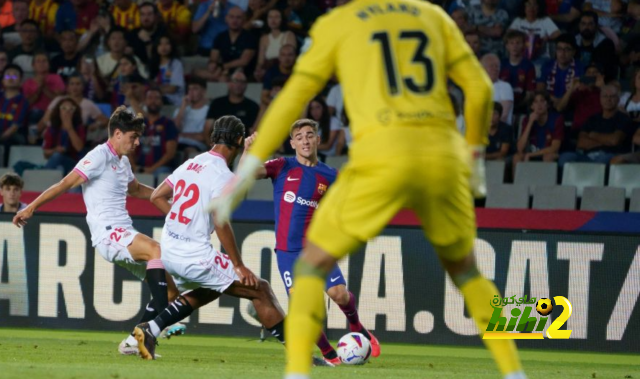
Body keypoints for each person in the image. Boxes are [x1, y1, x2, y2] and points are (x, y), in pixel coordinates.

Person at [208, 2, 526, 379]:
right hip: (444, 157)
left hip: (382, 155)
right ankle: (513, 372)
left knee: (312, 265)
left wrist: (245, 170)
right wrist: (474, 157)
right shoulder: (432, 15)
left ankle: (296, 374)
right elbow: (480, 88)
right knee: (468, 272)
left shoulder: (340, 22)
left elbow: (293, 97)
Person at [12, 106, 183, 356]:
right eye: (132, 137)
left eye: (137, 138)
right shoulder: (99, 156)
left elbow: (135, 190)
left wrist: (173, 197)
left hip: (123, 232)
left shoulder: (122, 162)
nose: (136, 143)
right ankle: (163, 324)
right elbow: (65, 183)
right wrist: (32, 207)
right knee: (156, 249)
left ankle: (132, 342)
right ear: (116, 133)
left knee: (171, 290)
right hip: (108, 233)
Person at [134, 116, 303, 364]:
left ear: (214, 137)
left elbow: (157, 196)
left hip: (168, 251)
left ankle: (152, 328)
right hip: (194, 255)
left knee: (214, 287)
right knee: (261, 290)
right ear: (236, 138)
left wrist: (184, 222)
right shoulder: (220, 173)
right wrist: (238, 264)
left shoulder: (192, 164)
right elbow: (221, 219)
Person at [252, 118, 376, 365]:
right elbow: (248, 174)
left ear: (318, 139)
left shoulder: (330, 175)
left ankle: (356, 325)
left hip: (317, 249)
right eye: (299, 137)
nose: (305, 140)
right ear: (292, 143)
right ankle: (330, 355)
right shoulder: (281, 166)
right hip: (288, 253)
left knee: (339, 295)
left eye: (309, 135)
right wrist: (249, 150)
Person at [558, 85, 634, 167]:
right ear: (600, 99)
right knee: (565, 157)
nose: (608, 99)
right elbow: (581, 143)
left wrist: (593, 135)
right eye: (605, 96)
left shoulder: (623, 118)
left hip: (610, 155)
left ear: (618, 99)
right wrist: (604, 143)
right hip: (588, 156)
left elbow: (614, 140)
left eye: (612, 96)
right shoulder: (592, 119)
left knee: (602, 160)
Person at [129, 87, 178, 178]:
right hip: (140, 167)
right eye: (150, 98)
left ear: (162, 102)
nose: (153, 101)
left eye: (157, 98)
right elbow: (130, 149)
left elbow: (170, 154)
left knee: (160, 173)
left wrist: (151, 169)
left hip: (161, 168)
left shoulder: (168, 124)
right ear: (145, 102)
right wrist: (134, 166)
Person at [513, 91, 563, 166]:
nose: (539, 104)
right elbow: (520, 148)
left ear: (547, 104)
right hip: (531, 154)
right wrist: (530, 123)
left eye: (542, 101)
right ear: (532, 106)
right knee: (517, 157)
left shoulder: (557, 119)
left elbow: (554, 148)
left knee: (548, 157)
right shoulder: (527, 120)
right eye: (535, 102)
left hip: (550, 154)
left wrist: (531, 155)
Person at [205, 70, 259, 137]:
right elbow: (207, 129)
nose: (239, 84)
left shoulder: (253, 106)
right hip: (218, 143)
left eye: (242, 82)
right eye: (236, 81)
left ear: (246, 85)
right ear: (229, 83)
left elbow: (253, 132)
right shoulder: (217, 103)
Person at [42, 97, 86, 174]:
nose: (67, 111)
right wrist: (55, 149)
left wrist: (69, 128)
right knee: (58, 162)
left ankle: (43, 176)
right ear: (59, 111)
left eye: (71, 109)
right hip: (57, 161)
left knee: (57, 158)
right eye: (64, 108)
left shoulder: (79, 128)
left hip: (74, 163)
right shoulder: (52, 128)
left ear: (75, 112)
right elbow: (45, 153)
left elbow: (79, 148)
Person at [254, 8, 297, 82]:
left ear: (282, 19)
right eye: (270, 17)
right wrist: (258, 71)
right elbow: (260, 62)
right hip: (269, 72)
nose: (273, 20)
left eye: (276, 17)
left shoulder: (289, 35)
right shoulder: (264, 38)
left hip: (285, 72)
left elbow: (291, 58)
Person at [500, 30, 536, 114]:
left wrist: (517, 106)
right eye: (511, 43)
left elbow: (530, 93)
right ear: (507, 46)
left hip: (521, 108)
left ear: (523, 45)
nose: (514, 46)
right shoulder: (501, 64)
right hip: (502, 107)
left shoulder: (528, 66)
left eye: (518, 43)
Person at [0, 64, 29, 160]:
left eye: (15, 76)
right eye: (8, 75)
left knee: (9, 142)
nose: (11, 78)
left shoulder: (22, 101)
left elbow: (15, 126)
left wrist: (1, 137)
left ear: (21, 81)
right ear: (3, 80)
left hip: (14, 136)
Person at [174, 78, 210, 152]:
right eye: (189, 89)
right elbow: (174, 129)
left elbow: (203, 137)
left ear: (203, 92)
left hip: (196, 145)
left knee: (188, 150)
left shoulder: (209, 111)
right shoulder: (180, 110)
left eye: (195, 89)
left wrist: (182, 135)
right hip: (177, 143)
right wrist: (183, 106)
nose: (191, 92)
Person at [148, 35, 184, 106]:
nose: (164, 47)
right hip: (156, 96)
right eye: (160, 44)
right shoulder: (153, 64)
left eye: (167, 44)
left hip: (172, 99)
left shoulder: (176, 63)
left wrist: (155, 90)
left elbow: (172, 89)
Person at [481, 53, 513, 124]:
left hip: (499, 129)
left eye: (497, 66)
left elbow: (504, 115)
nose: (495, 69)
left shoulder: (505, 87)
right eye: (492, 66)